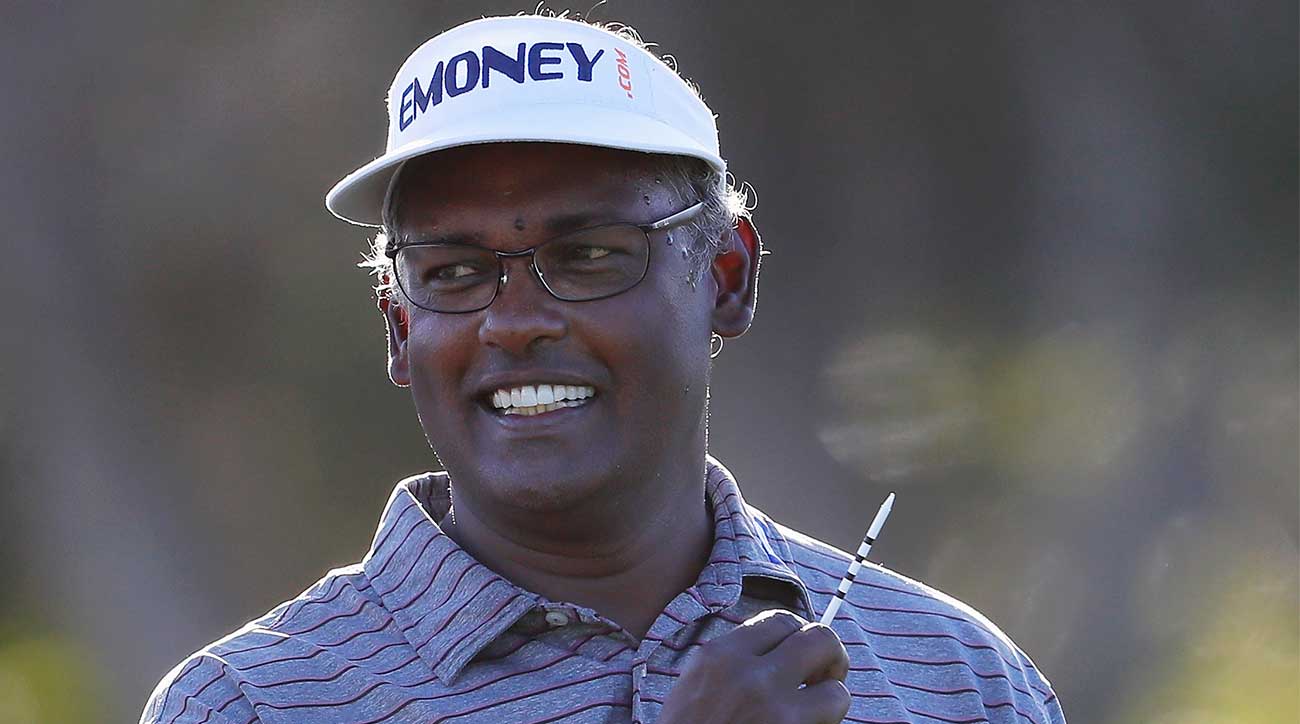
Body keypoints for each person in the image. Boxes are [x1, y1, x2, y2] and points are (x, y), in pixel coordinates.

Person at [141, 14, 1066, 724]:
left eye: (589, 255)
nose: (515, 322)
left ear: (728, 279)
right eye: (453, 272)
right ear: (398, 326)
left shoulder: (955, 678)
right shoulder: (253, 705)